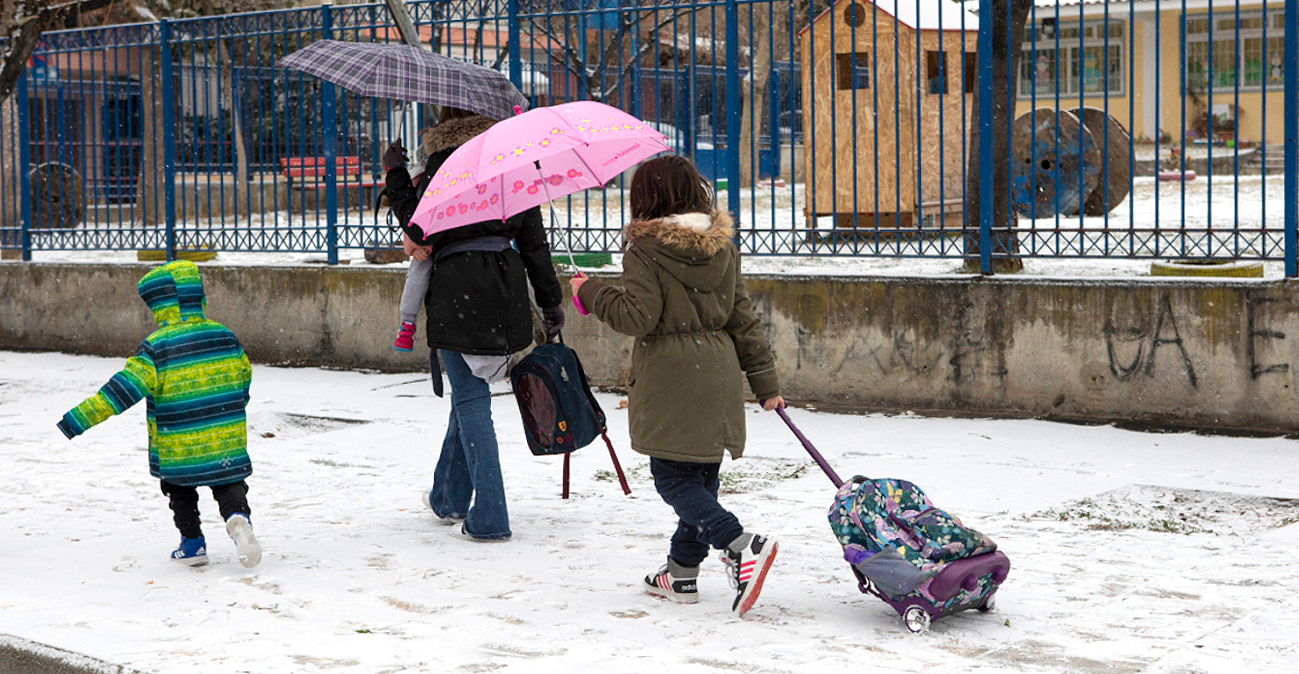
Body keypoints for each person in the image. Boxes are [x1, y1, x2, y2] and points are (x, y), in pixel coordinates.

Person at [570, 155, 785, 617]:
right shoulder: (721, 247)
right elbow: (742, 318)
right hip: (719, 374)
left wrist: (589, 291)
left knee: (673, 479)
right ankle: (681, 572)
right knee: (700, 480)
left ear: (645, 199)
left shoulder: (644, 250)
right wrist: (764, 382)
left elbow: (637, 316)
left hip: (671, 377)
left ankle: (739, 542)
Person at [383, 106, 566, 542]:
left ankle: (491, 515)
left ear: (443, 124)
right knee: (468, 392)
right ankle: (447, 498)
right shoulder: (510, 165)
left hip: (457, 289)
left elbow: (418, 229)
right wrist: (550, 302)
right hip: (505, 289)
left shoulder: (443, 167)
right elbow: (535, 244)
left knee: (469, 399)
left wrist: (393, 172)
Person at [56, 260, 261, 569]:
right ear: (197, 296)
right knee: (228, 481)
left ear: (159, 305)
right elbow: (243, 378)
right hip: (224, 437)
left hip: (177, 442)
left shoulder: (156, 347)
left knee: (180, 489)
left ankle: (192, 544)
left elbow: (121, 391)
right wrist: (230, 407)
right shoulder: (225, 336)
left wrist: (77, 419)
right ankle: (238, 518)